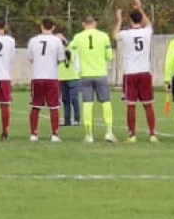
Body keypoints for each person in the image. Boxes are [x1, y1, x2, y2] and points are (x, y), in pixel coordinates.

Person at [69, 13, 114, 143]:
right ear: (95, 23)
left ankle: (89, 135)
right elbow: (109, 56)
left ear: (84, 24)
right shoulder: (103, 36)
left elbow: (70, 48)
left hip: (85, 75)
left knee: (87, 103)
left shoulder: (78, 37)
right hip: (100, 74)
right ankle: (109, 132)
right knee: (106, 102)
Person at [117, 0, 158, 143]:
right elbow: (149, 24)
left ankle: (132, 135)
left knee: (131, 104)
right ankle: (152, 134)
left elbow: (114, 35)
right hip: (144, 72)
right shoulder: (146, 32)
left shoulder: (125, 34)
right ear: (141, 19)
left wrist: (119, 19)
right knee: (148, 104)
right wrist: (140, 9)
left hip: (130, 73)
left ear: (129, 20)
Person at [26, 19, 66, 143]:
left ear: (41, 26)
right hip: (52, 77)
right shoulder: (57, 41)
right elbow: (61, 59)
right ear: (53, 28)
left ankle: (33, 134)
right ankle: (54, 135)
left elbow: (30, 58)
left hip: (37, 77)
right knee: (54, 107)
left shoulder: (33, 40)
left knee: (35, 106)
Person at [57, 28, 81, 128]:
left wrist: (65, 43)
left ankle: (76, 119)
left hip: (73, 77)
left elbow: (70, 56)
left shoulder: (72, 49)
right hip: (62, 78)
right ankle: (67, 120)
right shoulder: (58, 51)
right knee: (65, 100)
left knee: (74, 99)